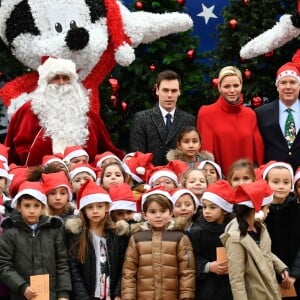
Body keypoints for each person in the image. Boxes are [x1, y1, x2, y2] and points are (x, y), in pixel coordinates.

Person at [4, 57, 124, 166]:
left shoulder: (85, 111)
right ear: (46, 82)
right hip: (38, 176)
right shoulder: (28, 110)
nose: (61, 82)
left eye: (65, 78)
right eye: (56, 78)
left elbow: (106, 147)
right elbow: (10, 148)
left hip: (83, 175)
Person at [0, 181, 72, 300]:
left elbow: (62, 263)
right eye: (27, 205)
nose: (32, 211)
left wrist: (63, 293)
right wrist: (22, 286)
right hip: (22, 295)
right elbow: (3, 265)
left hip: (51, 295)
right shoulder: (10, 232)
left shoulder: (53, 230)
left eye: (36, 206)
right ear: (19, 207)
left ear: (43, 207)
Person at [221, 180, 291, 300]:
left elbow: (264, 253)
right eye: (266, 208)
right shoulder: (235, 238)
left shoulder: (260, 227)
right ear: (256, 208)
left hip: (270, 290)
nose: (268, 211)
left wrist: (281, 267)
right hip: (254, 294)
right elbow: (236, 278)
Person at [121, 186, 195, 299]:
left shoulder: (180, 237)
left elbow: (187, 271)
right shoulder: (136, 238)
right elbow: (129, 272)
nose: (158, 215)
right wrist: (128, 297)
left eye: (163, 211)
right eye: (152, 212)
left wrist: (186, 296)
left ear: (171, 212)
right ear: (144, 215)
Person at [65, 180, 129, 300]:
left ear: (107, 207)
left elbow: (123, 266)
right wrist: (83, 297)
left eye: (99, 206)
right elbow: (74, 270)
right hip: (87, 295)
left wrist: (118, 293)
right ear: (83, 210)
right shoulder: (77, 235)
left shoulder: (117, 234)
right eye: (90, 207)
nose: (95, 211)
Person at [197, 66, 264, 176]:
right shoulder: (206, 113)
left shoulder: (250, 114)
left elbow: (257, 153)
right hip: (220, 183)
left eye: (236, 86)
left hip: (247, 181)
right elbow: (205, 153)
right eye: (227, 86)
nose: (232, 90)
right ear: (219, 87)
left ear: (241, 86)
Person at [129, 70, 195, 166]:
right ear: (157, 90)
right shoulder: (141, 119)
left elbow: (191, 156)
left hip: (180, 177)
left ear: (179, 92)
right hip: (149, 178)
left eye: (174, 91)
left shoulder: (189, 120)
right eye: (165, 90)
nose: (169, 95)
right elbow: (137, 156)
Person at [188, 180, 234, 300]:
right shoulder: (197, 231)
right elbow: (191, 257)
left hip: (232, 284)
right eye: (204, 207)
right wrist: (208, 266)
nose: (207, 211)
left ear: (224, 210)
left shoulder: (234, 229)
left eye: (213, 207)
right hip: (207, 287)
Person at [255, 55, 300, 171]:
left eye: (292, 82)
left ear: (299, 86)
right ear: (277, 87)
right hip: (273, 178)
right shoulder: (261, 114)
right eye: (283, 83)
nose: (288, 87)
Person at [262, 161, 300, 296]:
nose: (281, 186)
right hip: (266, 276)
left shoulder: (297, 209)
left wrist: (295, 273)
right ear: (265, 182)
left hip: (295, 277)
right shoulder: (260, 212)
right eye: (276, 182)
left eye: (286, 182)